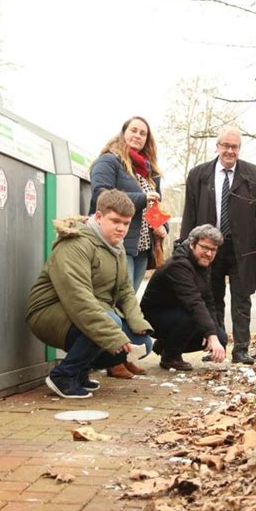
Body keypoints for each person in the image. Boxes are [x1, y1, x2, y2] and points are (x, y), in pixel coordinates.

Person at [26, 189, 152, 398]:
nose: (121, 228)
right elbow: (78, 298)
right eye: (115, 221)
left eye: (126, 223)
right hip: (48, 313)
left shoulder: (116, 247)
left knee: (142, 343)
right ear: (99, 216)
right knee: (110, 323)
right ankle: (63, 376)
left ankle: (81, 373)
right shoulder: (75, 243)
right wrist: (113, 334)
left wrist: (138, 324)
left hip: (88, 311)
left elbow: (125, 291)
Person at [180, 126, 256, 365]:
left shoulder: (252, 174)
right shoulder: (198, 175)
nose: (230, 151)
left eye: (234, 146)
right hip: (210, 248)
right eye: (226, 146)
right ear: (217, 147)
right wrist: (185, 244)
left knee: (241, 299)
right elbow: (190, 213)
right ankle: (215, 347)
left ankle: (241, 349)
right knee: (211, 298)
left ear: (239, 148)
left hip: (242, 248)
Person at [89, 116, 166, 377]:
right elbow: (101, 196)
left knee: (128, 302)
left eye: (143, 133)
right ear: (123, 132)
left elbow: (153, 206)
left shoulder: (149, 170)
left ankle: (123, 355)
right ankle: (112, 360)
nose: (138, 136)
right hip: (118, 243)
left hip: (142, 246)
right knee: (113, 302)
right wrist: (142, 198)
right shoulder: (109, 161)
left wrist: (159, 224)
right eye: (133, 130)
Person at [141, 225, 227, 371]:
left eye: (213, 250)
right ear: (192, 244)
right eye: (205, 248)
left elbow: (208, 301)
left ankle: (165, 344)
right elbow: (194, 302)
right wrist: (210, 335)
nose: (209, 254)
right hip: (154, 317)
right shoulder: (178, 264)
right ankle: (170, 356)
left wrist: (214, 333)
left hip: (180, 314)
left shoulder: (202, 264)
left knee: (221, 338)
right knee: (194, 317)